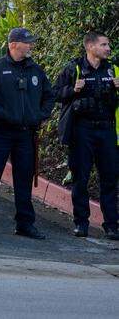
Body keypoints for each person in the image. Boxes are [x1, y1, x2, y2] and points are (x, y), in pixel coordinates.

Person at [0, 27, 57, 239]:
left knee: (24, 179)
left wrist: (39, 115)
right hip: (0, 133)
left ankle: (25, 224)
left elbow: (49, 95)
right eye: (27, 42)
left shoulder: (36, 70)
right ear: (14, 44)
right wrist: (4, 115)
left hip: (26, 134)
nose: (31, 46)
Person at [54, 31, 119, 239]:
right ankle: (81, 223)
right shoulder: (74, 68)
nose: (108, 48)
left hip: (107, 130)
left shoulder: (113, 69)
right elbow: (55, 93)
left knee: (109, 178)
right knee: (80, 177)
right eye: (104, 45)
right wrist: (73, 90)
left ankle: (111, 225)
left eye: (108, 45)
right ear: (90, 47)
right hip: (82, 130)